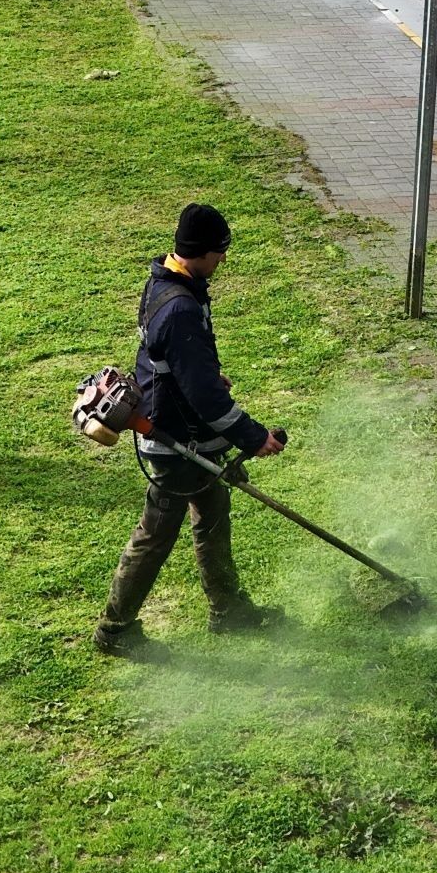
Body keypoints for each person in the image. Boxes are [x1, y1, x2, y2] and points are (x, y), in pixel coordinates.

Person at [95, 203, 285, 657]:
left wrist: (196, 373)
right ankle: (114, 630)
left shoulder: (169, 281)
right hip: (174, 443)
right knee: (156, 535)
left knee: (214, 518)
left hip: (187, 432)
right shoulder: (181, 306)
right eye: (220, 252)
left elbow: (171, 363)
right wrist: (255, 437)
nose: (223, 260)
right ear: (200, 252)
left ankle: (228, 610)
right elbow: (206, 398)